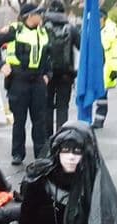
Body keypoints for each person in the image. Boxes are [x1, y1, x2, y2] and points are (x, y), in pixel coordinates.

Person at [0, 3, 51, 166]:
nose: (41, 16)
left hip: (37, 81)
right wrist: (1, 65)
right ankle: (17, 154)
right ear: (29, 16)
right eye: (38, 14)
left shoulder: (43, 32)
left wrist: (47, 75)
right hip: (19, 80)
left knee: (39, 120)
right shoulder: (15, 31)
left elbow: (48, 55)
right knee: (20, 120)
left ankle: (41, 153)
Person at [43, 0, 80, 136]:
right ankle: (61, 136)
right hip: (66, 74)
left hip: (47, 74)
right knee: (62, 107)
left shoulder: (43, 27)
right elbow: (81, 47)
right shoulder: (72, 29)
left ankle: (48, 137)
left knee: (47, 106)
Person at [91, 9, 117, 130]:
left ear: (104, 18)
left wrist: (114, 69)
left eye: (100, 18)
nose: (98, 21)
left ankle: (99, 119)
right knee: (92, 93)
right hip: (93, 66)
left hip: (106, 67)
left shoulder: (112, 30)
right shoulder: (91, 28)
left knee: (102, 96)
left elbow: (116, 51)